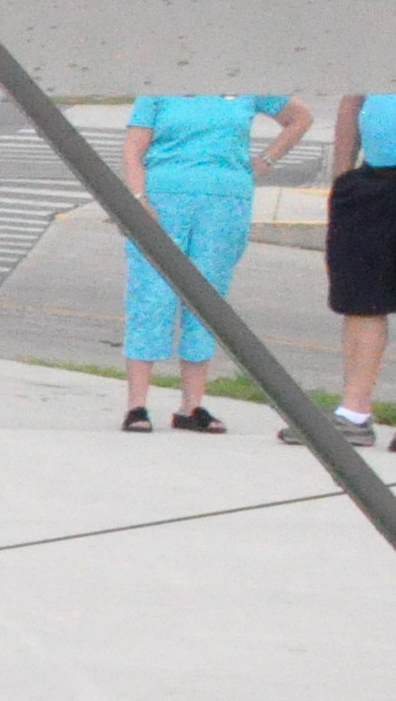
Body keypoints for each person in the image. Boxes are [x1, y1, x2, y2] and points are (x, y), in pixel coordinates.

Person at [118, 92, 314, 430]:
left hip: (225, 203)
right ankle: (137, 405)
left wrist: (266, 159)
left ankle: (192, 406)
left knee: (207, 297)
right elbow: (134, 150)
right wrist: (138, 197)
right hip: (164, 201)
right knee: (152, 296)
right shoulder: (161, 90)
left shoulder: (247, 86)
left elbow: (300, 118)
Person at [315, 91, 396, 447]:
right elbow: (351, 100)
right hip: (370, 182)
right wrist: (342, 177)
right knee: (361, 299)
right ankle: (353, 414)